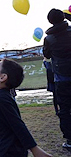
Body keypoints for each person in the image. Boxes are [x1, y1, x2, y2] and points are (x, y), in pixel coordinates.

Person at [0, 58, 52, 157]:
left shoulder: (1, 99)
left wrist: (35, 149)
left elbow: (17, 125)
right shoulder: (1, 97)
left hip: (8, 152)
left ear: (2, 77)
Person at [43, 8, 71, 149]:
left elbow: (47, 55)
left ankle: (70, 139)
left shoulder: (49, 39)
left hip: (62, 78)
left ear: (50, 21)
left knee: (65, 109)